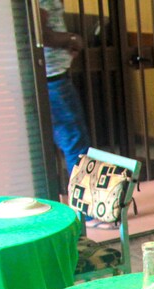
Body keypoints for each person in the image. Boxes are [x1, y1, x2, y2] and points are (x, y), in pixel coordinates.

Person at [39, 0, 91, 176]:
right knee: (75, 141)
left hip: (47, 78)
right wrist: (72, 39)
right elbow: (41, 34)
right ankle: (82, 191)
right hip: (52, 79)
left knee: (64, 138)